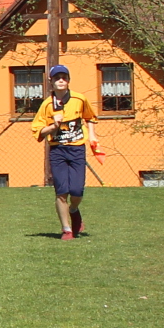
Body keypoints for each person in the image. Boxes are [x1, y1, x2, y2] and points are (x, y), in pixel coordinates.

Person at [32, 63, 101, 240]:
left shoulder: (79, 99)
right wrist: (53, 126)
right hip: (57, 150)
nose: (61, 80)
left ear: (69, 80)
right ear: (51, 81)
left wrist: (92, 135)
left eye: (64, 77)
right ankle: (66, 229)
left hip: (77, 148)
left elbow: (90, 117)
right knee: (61, 191)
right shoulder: (47, 105)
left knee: (77, 191)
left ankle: (74, 210)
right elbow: (38, 131)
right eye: (57, 78)